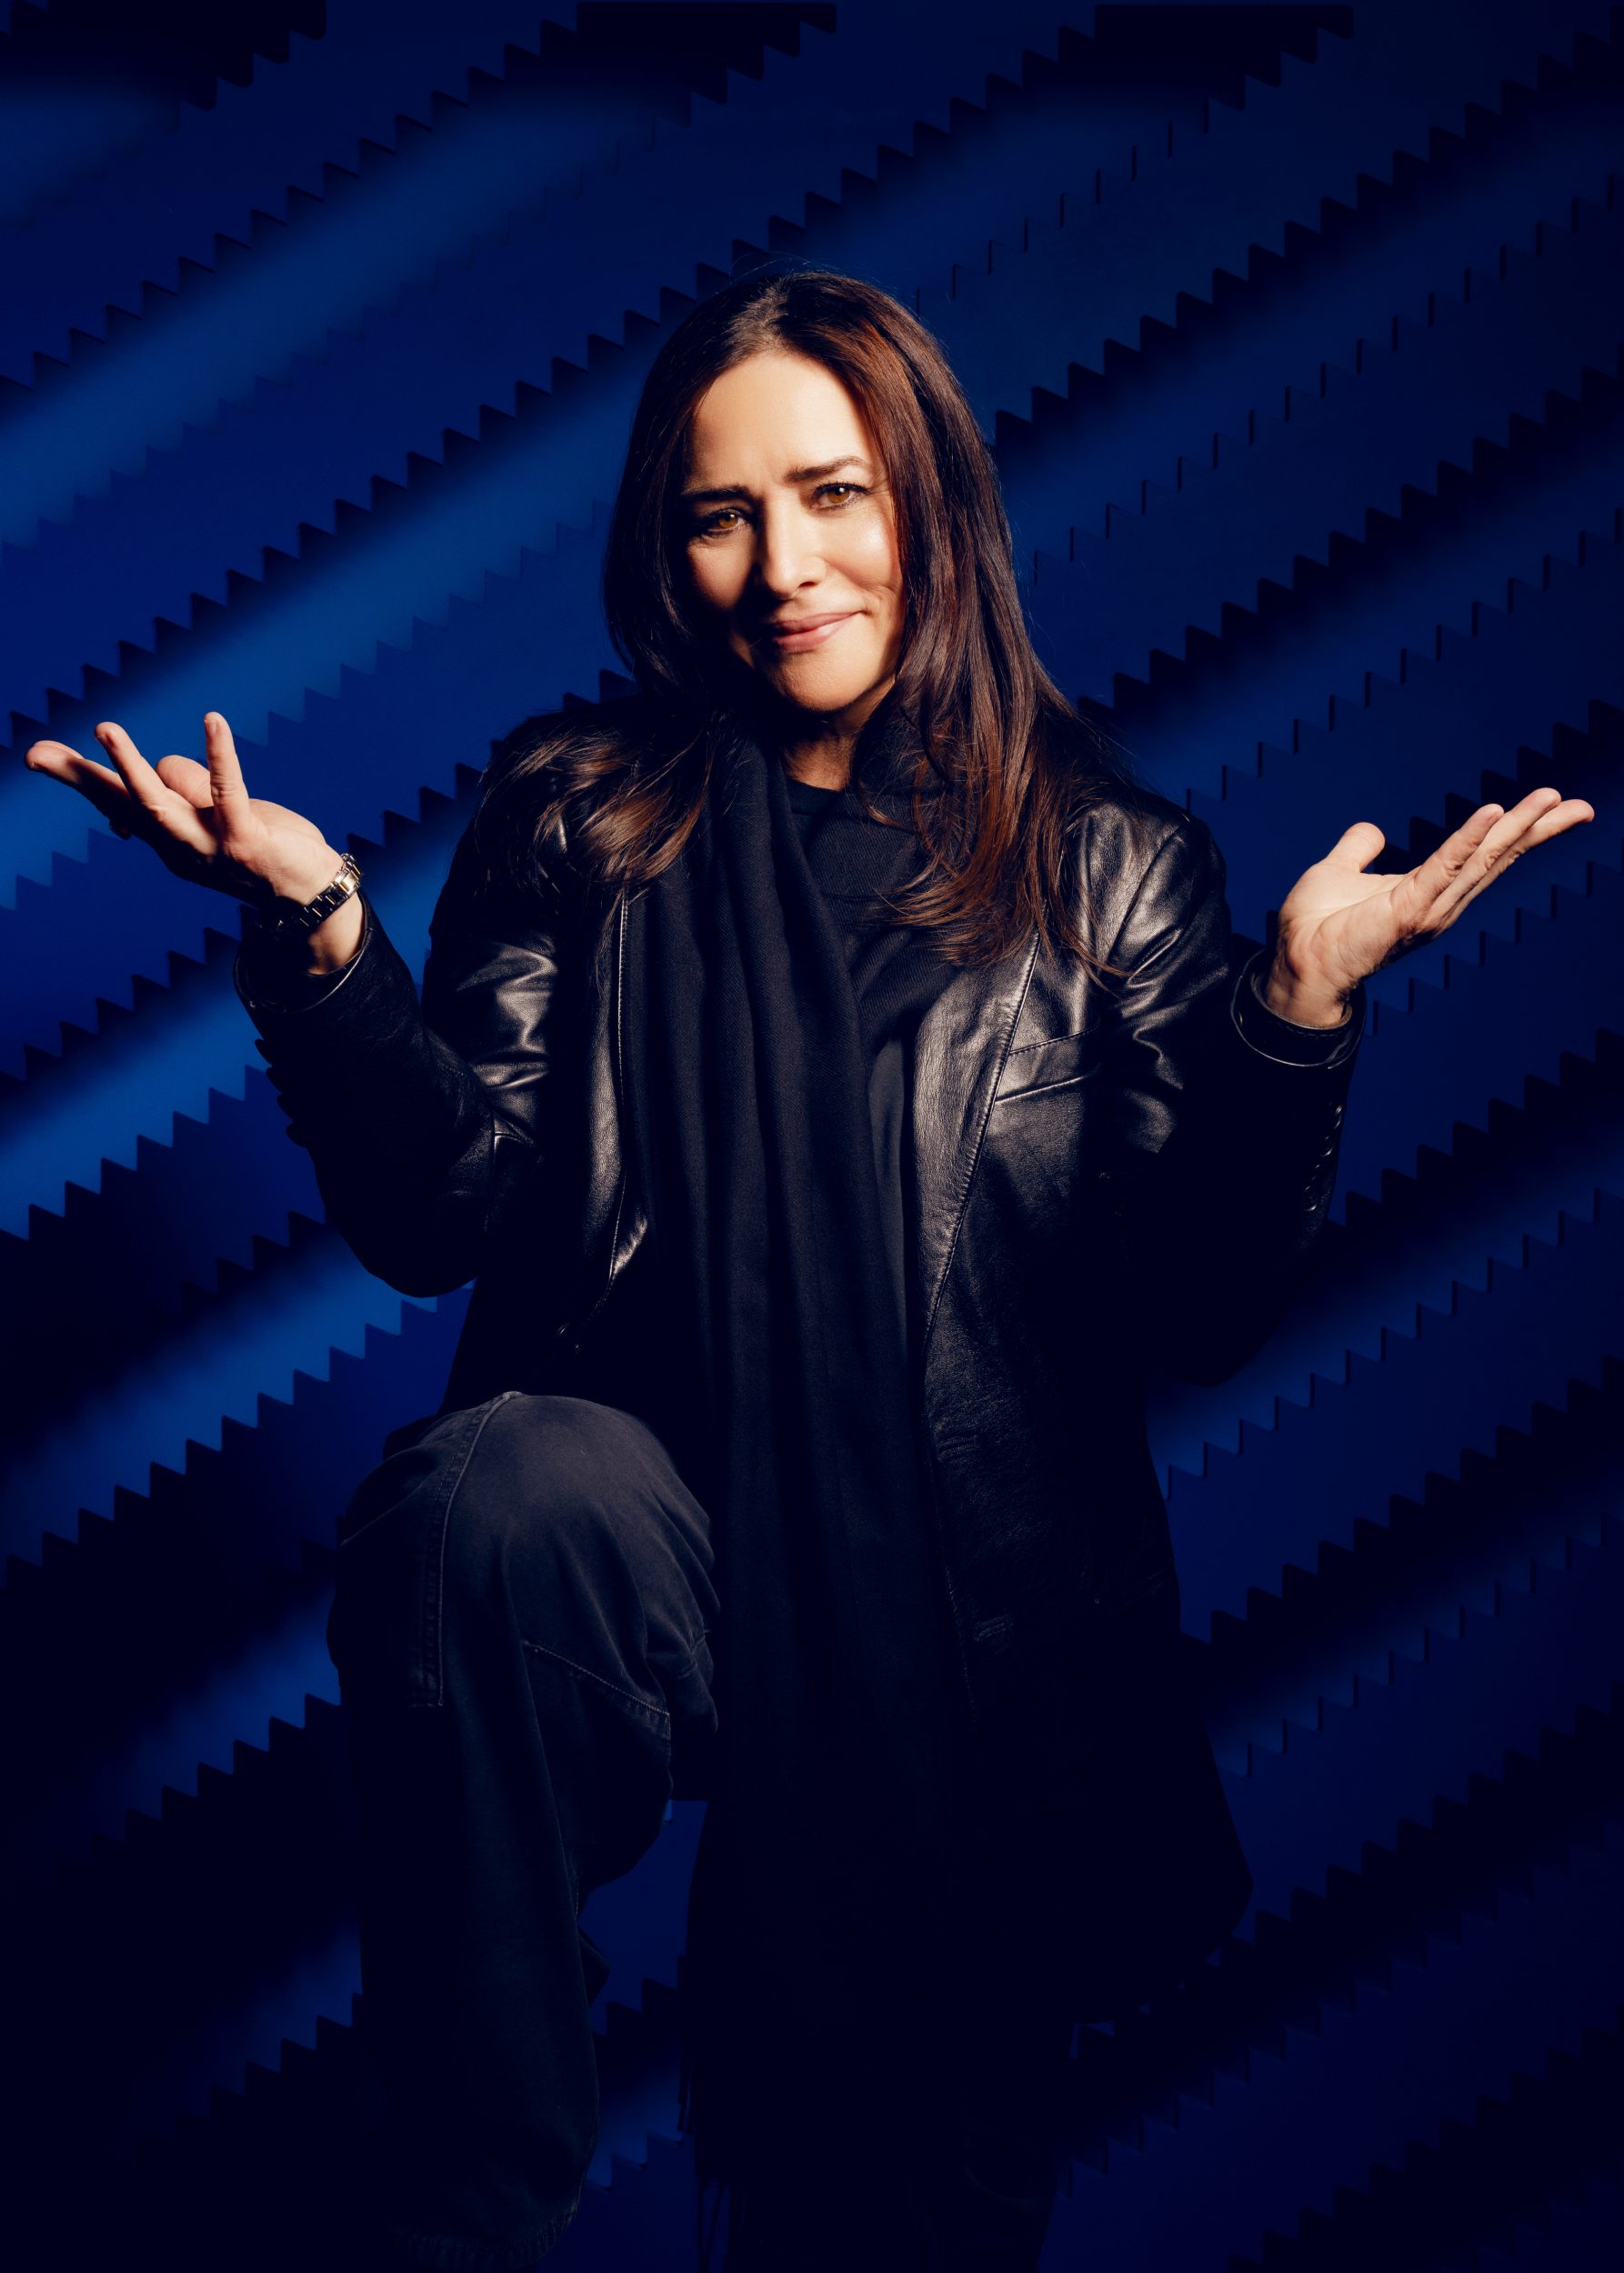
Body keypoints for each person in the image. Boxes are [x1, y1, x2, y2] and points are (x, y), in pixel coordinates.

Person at [24, 261, 1593, 2273]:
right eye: (721, 513)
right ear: (664, 550)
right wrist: (320, 936)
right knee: (491, 1492)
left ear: (927, 502)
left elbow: (1196, 1310)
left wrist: (1292, 1017)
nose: (783, 567)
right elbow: (446, 1211)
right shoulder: (581, 821)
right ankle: (460, 2206)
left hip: (964, 1654)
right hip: (655, 1555)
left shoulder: (1111, 868)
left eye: (833, 494)